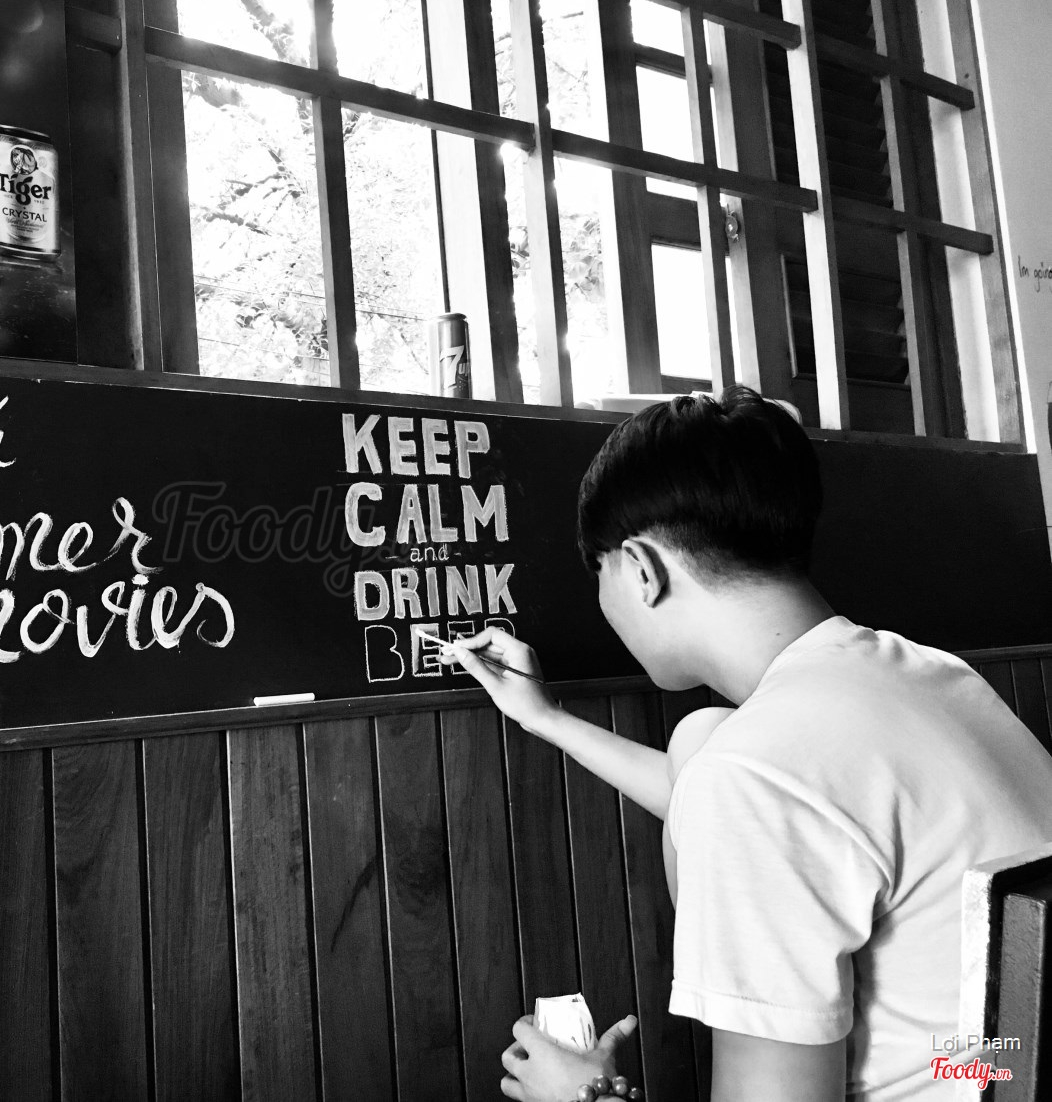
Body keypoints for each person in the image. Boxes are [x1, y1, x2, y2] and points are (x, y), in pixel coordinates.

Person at [441, 386, 1052, 1102]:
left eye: (598, 573)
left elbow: (758, 803)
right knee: (699, 735)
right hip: (997, 1067)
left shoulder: (753, 774)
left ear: (641, 569)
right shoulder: (929, 675)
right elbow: (775, 811)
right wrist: (545, 718)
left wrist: (588, 1097)